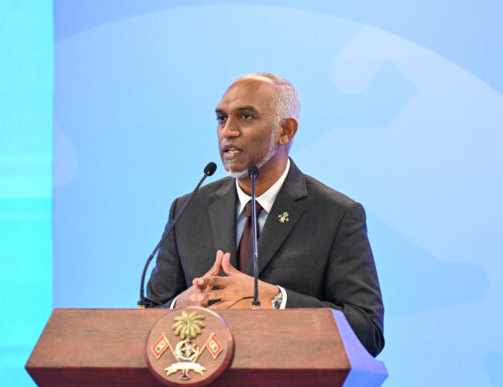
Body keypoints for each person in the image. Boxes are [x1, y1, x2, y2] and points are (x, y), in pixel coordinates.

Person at [146, 72, 384, 357]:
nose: (228, 131)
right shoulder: (188, 210)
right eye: (221, 118)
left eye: (245, 116)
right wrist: (179, 306)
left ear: (286, 130)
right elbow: (146, 318)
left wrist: (276, 300)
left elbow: (367, 332)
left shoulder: (336, 215)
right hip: (202, 380)